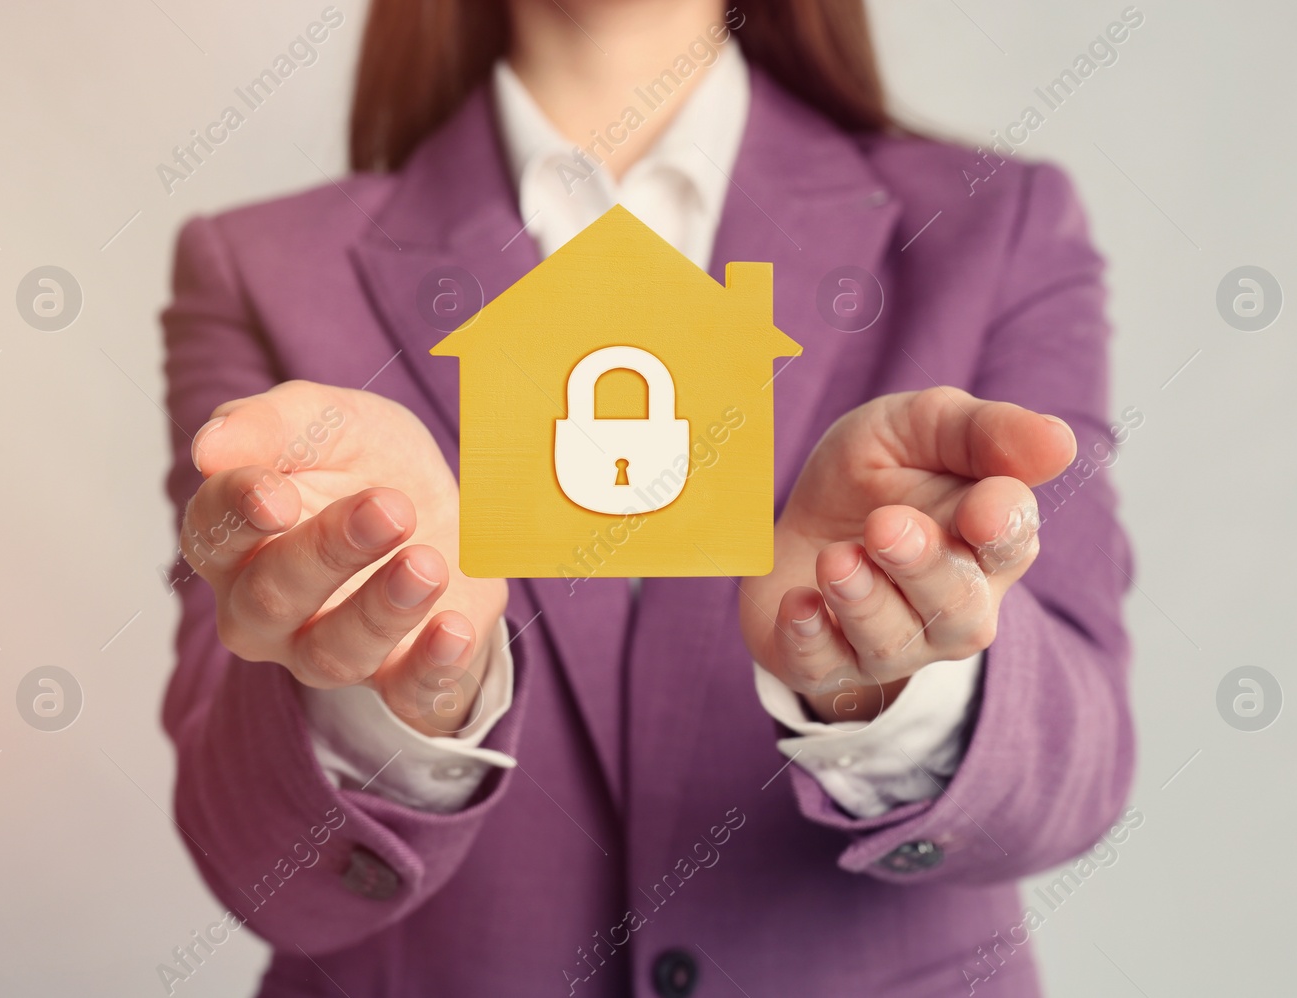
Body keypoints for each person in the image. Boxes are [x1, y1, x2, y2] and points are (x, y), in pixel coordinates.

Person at [160, 0, 1135, 994]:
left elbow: (1080, 773)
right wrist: (395, 693)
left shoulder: (993, 225)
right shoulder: (261, 269)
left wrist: (879, 675)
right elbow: (253, 865)